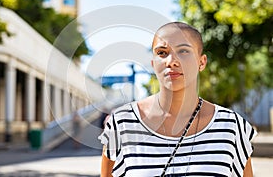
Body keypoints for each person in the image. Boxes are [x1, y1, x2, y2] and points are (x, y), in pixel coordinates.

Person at [99, 22, 257, 177]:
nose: (171, 61)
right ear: (153, 64)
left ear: (201, 62)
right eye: (162, 53)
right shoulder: (122, 123)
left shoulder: (231, 126)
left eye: (183, 51)